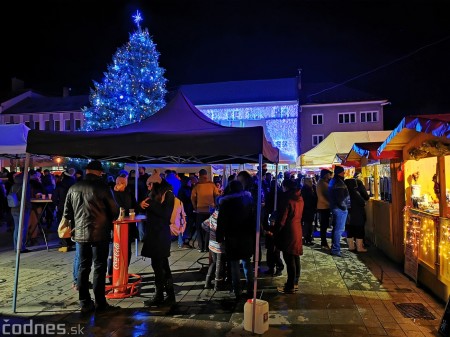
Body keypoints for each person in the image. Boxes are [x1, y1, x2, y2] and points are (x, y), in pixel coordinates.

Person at [63, 160, 120, 314]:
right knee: (99, 268)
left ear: (87, 170)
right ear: (99, 172)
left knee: (83, 267)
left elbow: (67, 213)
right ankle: (101, 303)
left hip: (80, 233)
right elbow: (115, 211)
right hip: (100, 233)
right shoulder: (103, 188)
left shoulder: (73, 187)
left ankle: (84, 302)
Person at [216, 180, 255, 300]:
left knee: (234, 265)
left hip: (232, 237)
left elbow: (221, 222)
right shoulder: (248, 200)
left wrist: (219, 237)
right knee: (247, 264)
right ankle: (250, 289)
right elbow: (253, 218)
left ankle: (237, 290)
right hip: (246, 236)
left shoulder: (226, 203)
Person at [139, 179, 176, 306]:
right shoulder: (153, 196)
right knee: (160, 266)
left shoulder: (168, 194)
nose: (148, 186)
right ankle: (166, 295)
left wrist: (149, 204)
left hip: (160, 236)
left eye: (150, 184)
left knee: (161, 267)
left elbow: (165, 213)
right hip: (154, 235)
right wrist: (143, 205)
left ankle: (162, 295)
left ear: (156, 184)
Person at [273, 179, 304, 294]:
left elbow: (282, 219)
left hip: (288, 231)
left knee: (289, 258)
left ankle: (290, 286)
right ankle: (295, 282)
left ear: (285, 187)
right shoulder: (299, 198)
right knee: (295, 257)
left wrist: (275, 231)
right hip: (297, 228)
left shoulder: (287, 199)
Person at [107, 174, 138, 280]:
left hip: (128, 227)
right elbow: (116, 207)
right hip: (115, 228)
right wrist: (116, 192)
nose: (121, 185)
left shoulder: (129, 192)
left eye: (123, 183)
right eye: (120, 183)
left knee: (127, 251)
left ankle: (124, 272)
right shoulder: (111, 193)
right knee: (114, 252)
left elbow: (133, 206)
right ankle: (112, 276)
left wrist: (139, 207)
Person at [191, 169, 220, 252]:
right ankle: (207, 247)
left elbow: (192, 198)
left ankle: (201, 247)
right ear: (206, 175)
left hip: (200, 210)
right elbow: (217, 196)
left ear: (199, 175)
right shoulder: (212, 185)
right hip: (210, 210)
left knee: (199, 229)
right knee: (208, 229)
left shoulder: (197, 186)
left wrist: (195, 207)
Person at [328, 166, 351, 257]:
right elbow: (341, 199)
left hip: (335, 207)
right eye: (343, 172)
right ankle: (335, 249)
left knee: (336, 229)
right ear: (339, 173)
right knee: (339, 229)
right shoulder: (339, 182)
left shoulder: (334, 181)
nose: (344, 173)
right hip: (339, 209)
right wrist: (344, 208)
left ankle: (335, 248)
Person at [202, 208, 225, 290]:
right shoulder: (223, 217)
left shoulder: (213, 215)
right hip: (219, 245)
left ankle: (207, 282)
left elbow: (204, 224)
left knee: (214, 263)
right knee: (219, 265)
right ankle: (217, 285)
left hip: (211, 243)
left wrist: (211, 231)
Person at [53, 170, 76, 252]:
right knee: (71, 225)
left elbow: (54, 197)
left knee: (62, 225)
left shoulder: (60, 185)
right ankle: (71, 243)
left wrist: (57, 204)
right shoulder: (74, 184)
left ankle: (64, 245)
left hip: (62, 207)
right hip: (73, 207)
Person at [344, 178, 367, 253]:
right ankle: (359, 248)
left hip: (348, 216)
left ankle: (351, 247)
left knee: (350, 231)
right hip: (357, 215)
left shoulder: (344, 192)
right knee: (359, 231)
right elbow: (362, 202)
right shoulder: (354, 193)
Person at [10, 172, 31, 253]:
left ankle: (16, 247)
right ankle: (21, 247)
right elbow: (27, 199)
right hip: (22, 209)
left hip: (13, 209)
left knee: (16, 228)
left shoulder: (13, 186)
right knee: (23, 228)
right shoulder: (25, 186)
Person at [316, 169, 332, 250]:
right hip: (323, 207)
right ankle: (323, 242)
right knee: (323, 225)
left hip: (325, 206)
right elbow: (321, 197)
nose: (330, 176)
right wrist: (329, 204)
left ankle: (324, 242)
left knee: (324, 225)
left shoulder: (323, 182)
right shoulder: (321, 183)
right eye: (329, 174)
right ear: (325, 175)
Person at [301, 177, 317, 246]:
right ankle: (307, 238)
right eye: (310, 181)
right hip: (308, 210)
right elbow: (308, 200)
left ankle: (307, 238)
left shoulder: (309, 189)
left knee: (308, 224)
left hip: (308, 210)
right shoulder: (306, 189)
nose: (312, 183)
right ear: (306, 182)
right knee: (308, 225)